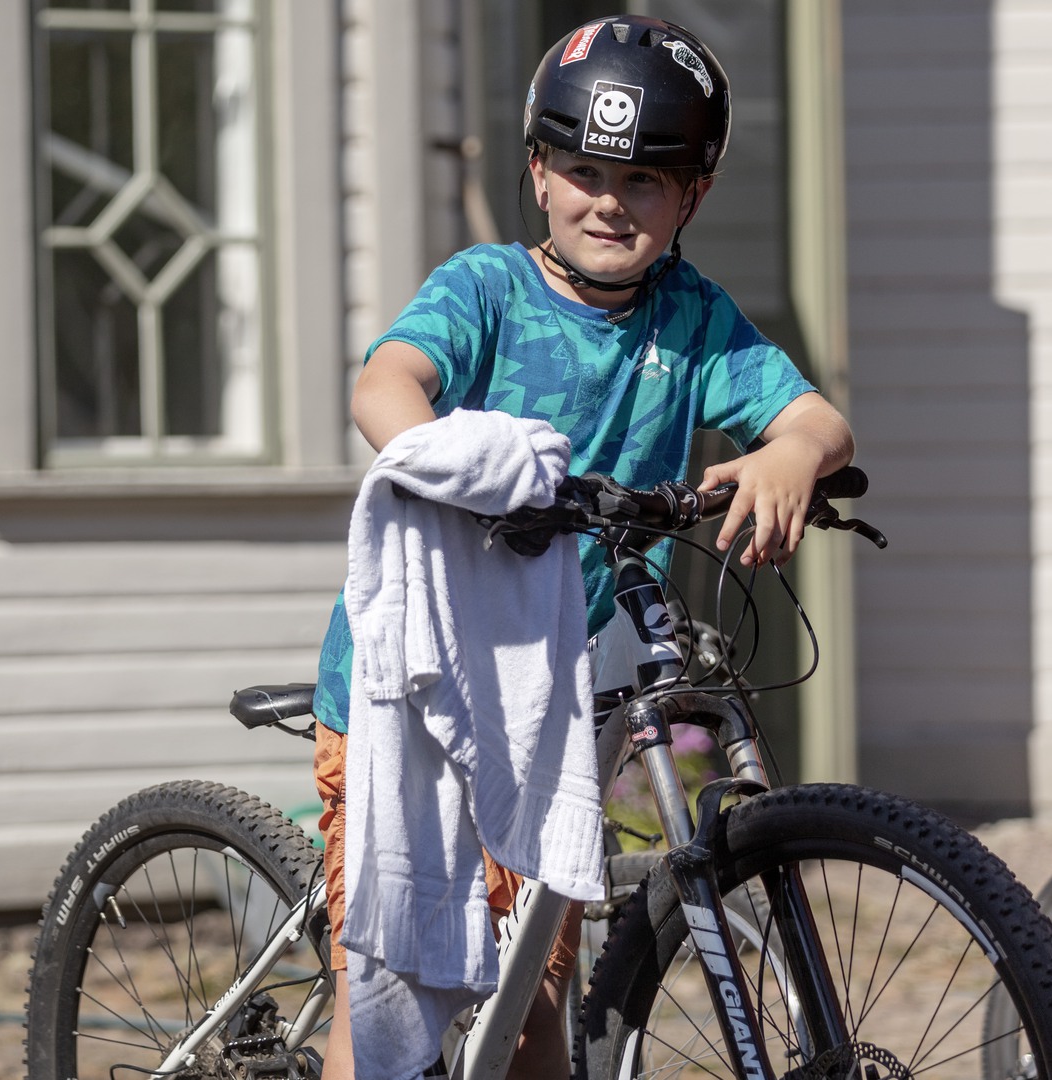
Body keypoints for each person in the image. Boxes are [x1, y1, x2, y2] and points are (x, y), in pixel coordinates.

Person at [310, 14, 855, 1079]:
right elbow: (385, 381)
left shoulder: (691, 321)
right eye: (583, 171)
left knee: (534, 999)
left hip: (548, 704)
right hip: (415, 680)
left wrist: (793, 457)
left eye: (647, 180)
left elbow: (817, 421)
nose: (610, 200)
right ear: (539, 171)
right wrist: (453, 461)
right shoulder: (487, 289)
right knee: (383, 992)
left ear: (690, 197)